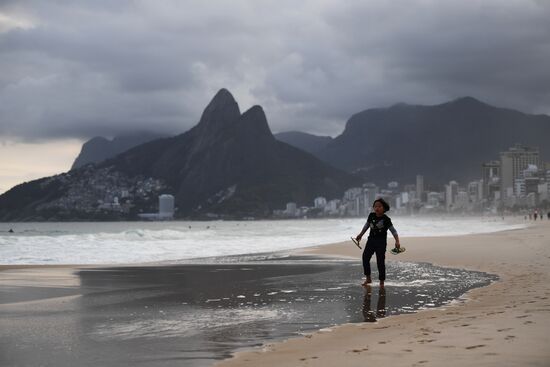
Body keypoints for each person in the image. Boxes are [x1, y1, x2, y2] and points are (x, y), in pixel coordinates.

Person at [355, 198, 401, 288]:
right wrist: (360, 234)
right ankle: (368, 278)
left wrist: (397, 241)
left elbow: (393, 231)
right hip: (371, 240)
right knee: (365, 258)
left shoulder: (386, 219)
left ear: (384, 208)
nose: (377, 208)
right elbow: (367, 226)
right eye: (375, 206)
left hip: (381, 242)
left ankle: (382, 282)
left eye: (379, 206)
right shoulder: (371, 216)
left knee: (380, 262)